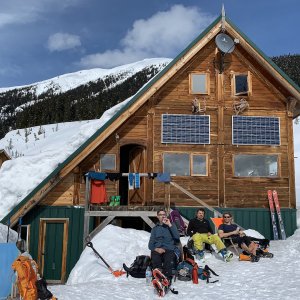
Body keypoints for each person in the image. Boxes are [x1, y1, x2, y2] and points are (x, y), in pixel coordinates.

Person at [148, 209, 180, 282]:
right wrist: (156, 249)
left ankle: (167, 278)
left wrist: (169, 224)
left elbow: (177, 237)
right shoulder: (154, 229)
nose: (162, 216)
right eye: (160, 215)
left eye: (164, 215)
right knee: (155, 257)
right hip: (157, 249)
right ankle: (157, 276)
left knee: (168, 259)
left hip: (169, 249)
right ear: (157, 216)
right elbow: (150, 245)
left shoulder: (171, 225)